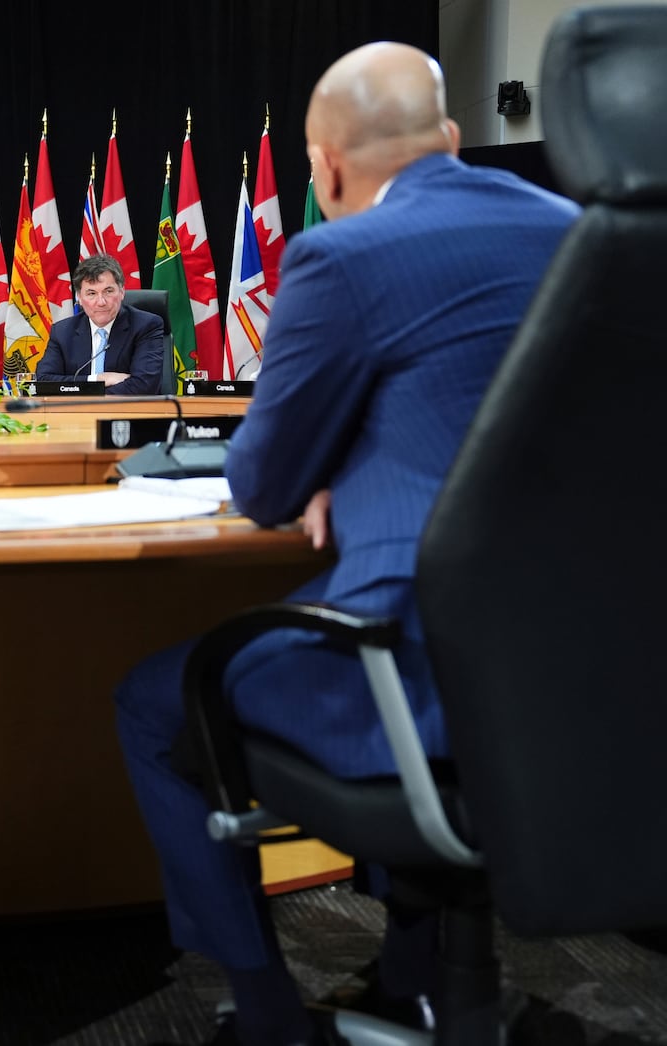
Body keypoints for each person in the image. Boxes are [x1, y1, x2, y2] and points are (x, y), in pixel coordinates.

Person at [112, 42, 577, 1046]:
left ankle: (268, 1010)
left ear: (321, 171)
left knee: (156, 698)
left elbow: (263, 484)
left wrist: (329, 465)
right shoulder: (583, 235)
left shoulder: (343, 253)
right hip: (586, 675)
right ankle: (412, 975)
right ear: (451, 140)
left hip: (419, 676)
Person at [35, 253, 165, 393]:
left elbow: (145, 385)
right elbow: (44, 381)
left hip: (128, 413)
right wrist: (96, 379)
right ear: (79, 297)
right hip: (75, 414)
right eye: (91, 293)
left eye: (108, 291)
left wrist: (83, 396)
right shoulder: (62, 331)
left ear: (122, 292)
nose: (101, 302)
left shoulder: (145, 326)